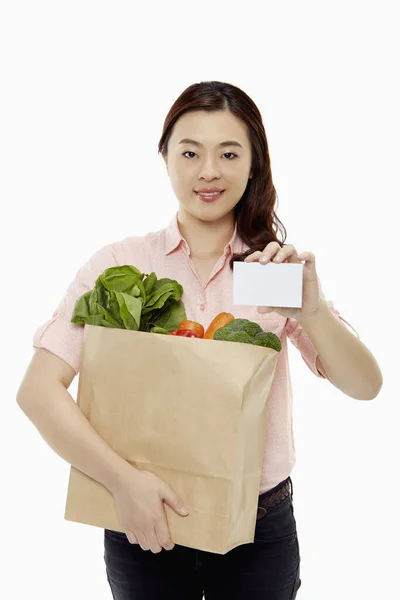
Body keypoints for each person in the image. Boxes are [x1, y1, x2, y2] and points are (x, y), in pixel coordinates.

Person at [17, 80, 381, 600]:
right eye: (190, 152)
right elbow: (38, 392)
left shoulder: (272, 269)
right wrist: (124, 482)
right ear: (165, 157)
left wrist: (313, 310)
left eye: (229, 153)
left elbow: (365, 386)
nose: (208, 170)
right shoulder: (121, 264)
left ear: (254, 163)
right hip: (143, 518)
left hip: (259, 526)